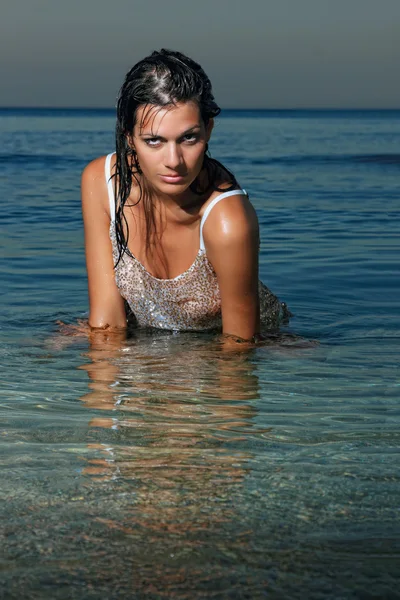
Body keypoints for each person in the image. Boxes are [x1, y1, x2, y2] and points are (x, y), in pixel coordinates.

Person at [81, 49, 290, 343]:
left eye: (188, 138)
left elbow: (238, 356)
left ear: (208, 129)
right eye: (154, 141)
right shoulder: (103, 183)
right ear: (129, 138)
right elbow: (106, 325)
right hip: (155, 341)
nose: (174, 160)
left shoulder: (228, 221)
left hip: (254, 344)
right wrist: (103, 387)